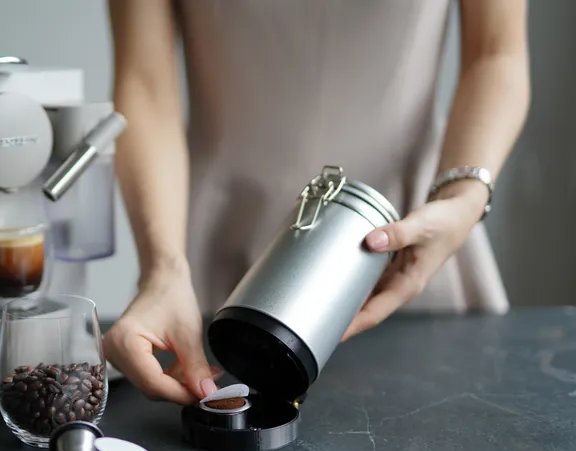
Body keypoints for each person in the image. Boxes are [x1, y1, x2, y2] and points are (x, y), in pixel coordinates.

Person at [103, 0, 530, 406]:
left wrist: (463, 199)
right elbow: (145, 84)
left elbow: (495, 53)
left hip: (411, 238)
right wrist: (163, 268)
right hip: (213, 251)